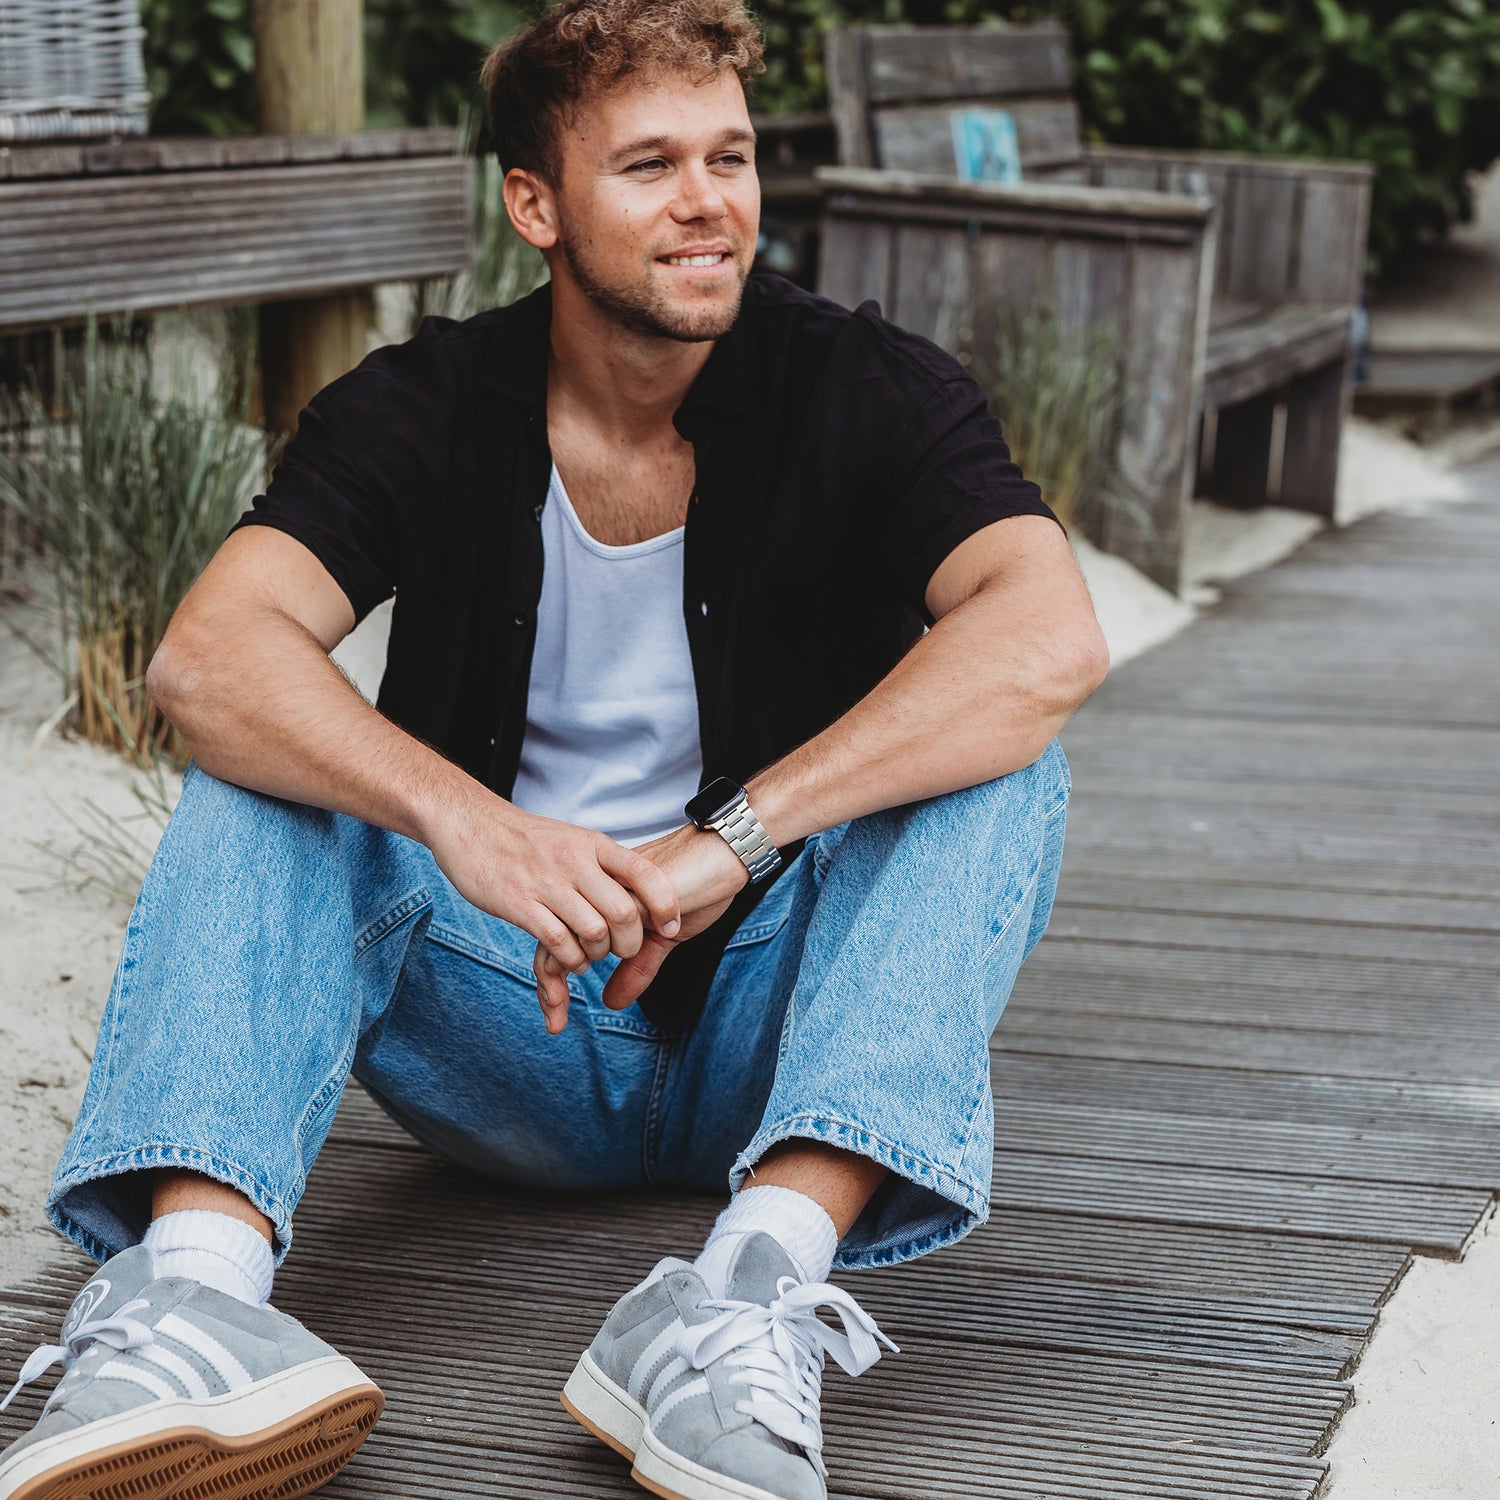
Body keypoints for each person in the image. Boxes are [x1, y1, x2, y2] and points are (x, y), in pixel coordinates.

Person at [0, 0, 1108, 1496]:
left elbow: (1045, 638)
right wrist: (470, 823)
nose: (711, 200)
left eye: (731, 156)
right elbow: (207, 657)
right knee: (276, 763)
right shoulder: (422, 406)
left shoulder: (862, 386)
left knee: (1000, 755)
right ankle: (188, 1309)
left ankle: (746, 1296)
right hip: (504, 1030)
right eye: (651, 165)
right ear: (536, 204)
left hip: (771, 1038)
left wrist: (736, 840)